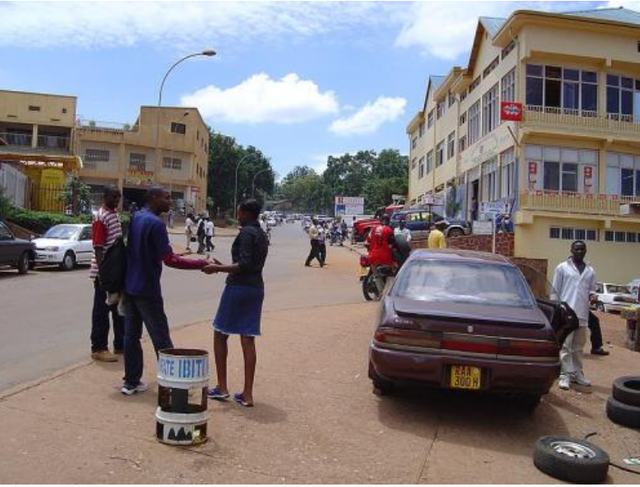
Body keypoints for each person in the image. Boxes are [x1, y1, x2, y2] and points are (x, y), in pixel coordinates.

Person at [121, 187, 210, 395]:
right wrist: (200, 263)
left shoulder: (136, 217)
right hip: (147, 289)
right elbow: (170, 259)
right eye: (167, 198)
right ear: (153, 198)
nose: (170, 202)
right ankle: (174, 385)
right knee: (160, 337)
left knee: (130, 336)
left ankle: (131, 381)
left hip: (130, 286)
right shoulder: (156, 224)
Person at [202, 199, 269, 408]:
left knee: (220, 334)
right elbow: (248, 265)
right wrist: (222, 266)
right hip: (255, 288)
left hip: (239, 288)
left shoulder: (247, 233)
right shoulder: (261, 233)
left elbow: (245, 264)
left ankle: (222, 387)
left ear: (244, 212)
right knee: (247, 339)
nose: (237, 214)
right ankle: (247, 394)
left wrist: (217, 269)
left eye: (238, 211)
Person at [551, 240, 597, 391]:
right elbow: (555, 291)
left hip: (582, 313)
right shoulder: (562, 268)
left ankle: (577, 374)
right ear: (571, 250)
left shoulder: (590, 271)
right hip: (566, 314)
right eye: (577, 249)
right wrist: (556, 312)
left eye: (582, 249)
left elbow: (592, 290)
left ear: (586, 251)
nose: (579, 251)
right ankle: (565, 375)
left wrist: (592, 296)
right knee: (566, 345)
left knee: (578, 346)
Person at [89, 185, 125, 363]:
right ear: (104, 197)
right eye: (113, 197)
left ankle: (120, 344)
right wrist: (103, 273)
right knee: (102, 311)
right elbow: (98, 247)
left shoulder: (114, 214)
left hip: (115, 271)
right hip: (105, 272)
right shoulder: (100, 217)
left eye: (118, 198)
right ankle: (99, 348)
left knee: (118, 310)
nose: (116, 201)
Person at [366, 215, 396, 295]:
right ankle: (388, 292)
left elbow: (367, 241)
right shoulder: (389, 230)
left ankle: (381, 292)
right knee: (391, 274)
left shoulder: (373, 229)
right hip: (385, 257)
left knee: (376, 276)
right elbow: (392, 243)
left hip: (373, 256)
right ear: (388, 221)